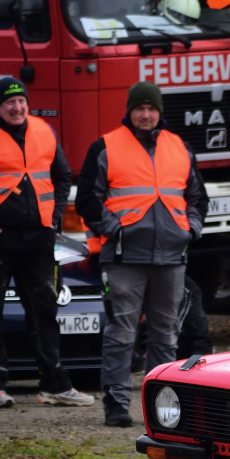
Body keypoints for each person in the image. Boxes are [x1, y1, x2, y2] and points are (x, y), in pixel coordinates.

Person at [0, 77, 95, 408]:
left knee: (44, 309)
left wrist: (53, 217)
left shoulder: (43, 131)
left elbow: (62, 177)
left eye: (21, 102)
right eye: (9, 103)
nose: (17, 108)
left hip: (38, 237)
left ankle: (54, 385)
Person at [75, 81, 207, 427]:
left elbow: (197, 198)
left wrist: (190, 230)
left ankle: (161, 411)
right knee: (122, 333)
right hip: (124, 258)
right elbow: (87, 198)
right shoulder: (105, 146)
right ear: (129, 111)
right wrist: (113, 229)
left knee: (166, 336)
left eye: (151, 109)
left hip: (171, 256)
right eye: (139, 108)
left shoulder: (179, 147)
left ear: (159, 112)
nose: (145, 115)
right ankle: (117, 404)